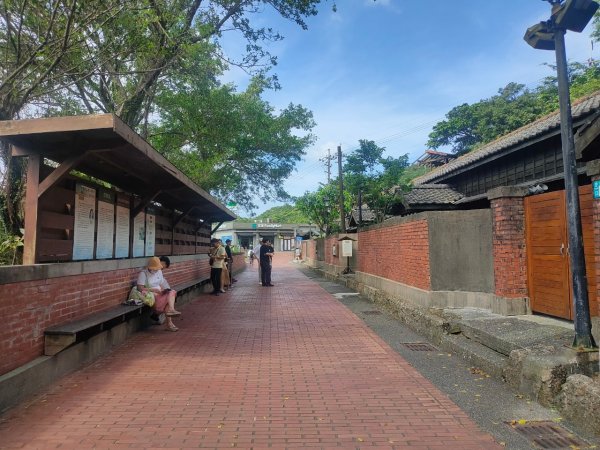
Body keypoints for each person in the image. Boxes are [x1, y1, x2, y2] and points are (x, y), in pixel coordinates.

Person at [137, 256, 180, 332]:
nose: (157, 270)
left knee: (172, 292)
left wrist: (163, 290)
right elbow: (140, 288)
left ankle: (171, 312)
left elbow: (161, 283)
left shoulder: (159, 271)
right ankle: (170, 320)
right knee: (169, 301)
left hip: (159, 294)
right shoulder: (143, 274)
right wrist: (153, 289)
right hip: (152, 296)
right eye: (155, 268)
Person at [149, 256, 172, 325]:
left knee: (171, 295)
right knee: (168, 299)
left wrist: (167, 289)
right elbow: (145, 286)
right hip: (151, 292)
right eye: (164, 266)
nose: (162, 268)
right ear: (162, 262)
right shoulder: (148, 271)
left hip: (158, 291)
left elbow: (162, 282)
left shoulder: (159, 271)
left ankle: (157, 315)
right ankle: (168, 322)